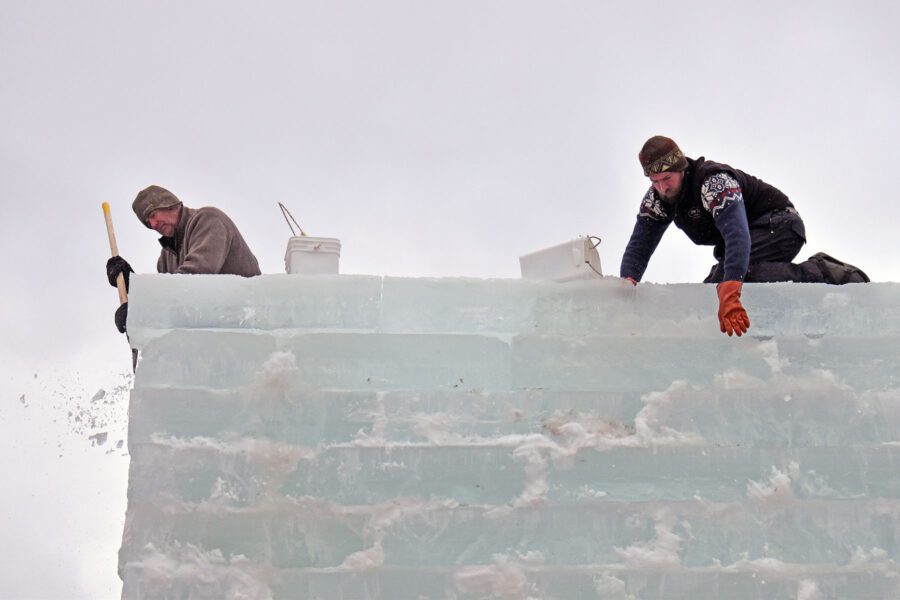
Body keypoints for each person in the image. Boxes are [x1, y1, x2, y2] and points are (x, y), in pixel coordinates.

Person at [620, 136, 868, 337]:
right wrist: (625, 286)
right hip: (749, 236)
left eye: (667, 178)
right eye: (655, 181)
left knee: (734, 277)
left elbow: (737, 234)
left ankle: (822, 271)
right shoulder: (658, 199)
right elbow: (640, 245)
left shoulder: (713, 182)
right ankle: (760, 329)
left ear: (682, 169)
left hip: (780, 225)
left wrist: (730, 289)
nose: (662, 187)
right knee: (711, 288)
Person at [106, 185, 261, 333]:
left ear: (169, 204)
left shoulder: (208, 219)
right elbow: (168, 307)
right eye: (148, 222)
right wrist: (133, 289)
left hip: (246, 321)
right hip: (210, 333)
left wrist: (142, 307)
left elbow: (195, 277)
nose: (153, 225)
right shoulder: (165, 258)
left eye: (152, 215)